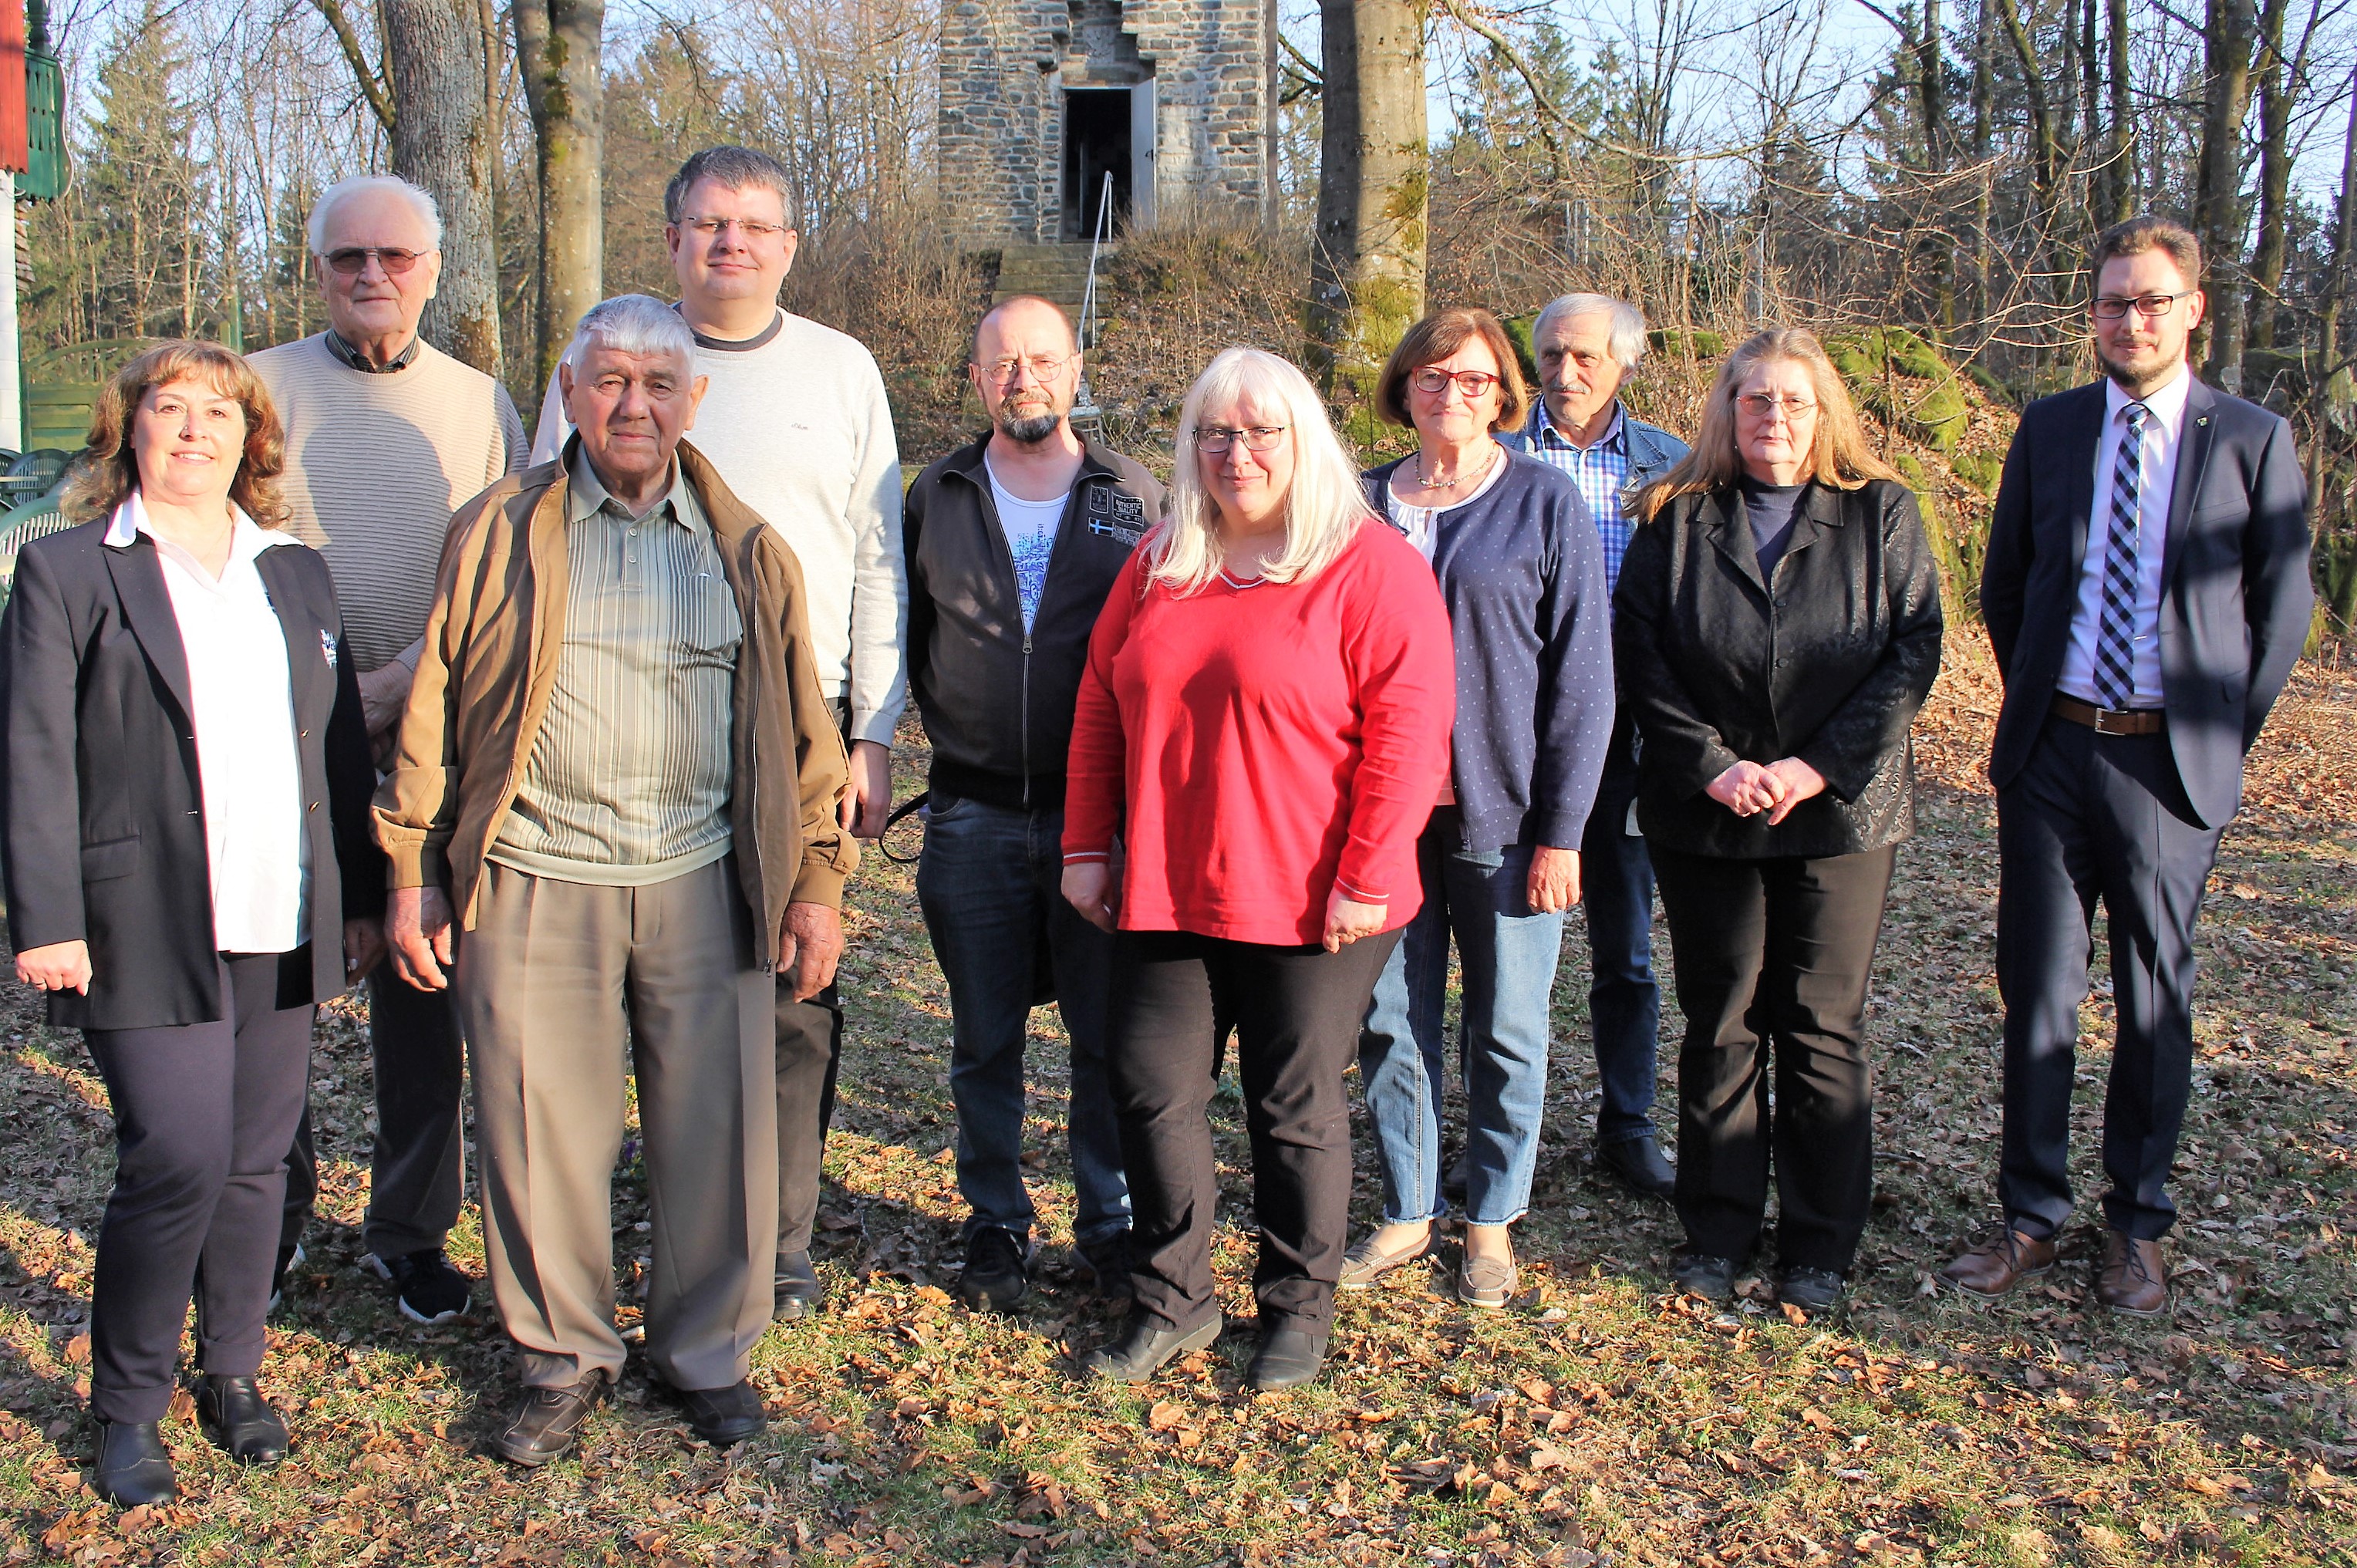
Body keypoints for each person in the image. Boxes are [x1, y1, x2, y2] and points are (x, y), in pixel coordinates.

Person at [374, 295, 855, 1465]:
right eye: (609, 381)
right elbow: (431, 705)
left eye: (657, 383)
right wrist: (412, 869)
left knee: (716, 1133)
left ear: (694, 401)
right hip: (537, 873)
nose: (632, 404)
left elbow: (806, 733)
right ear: (571, 390)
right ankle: (562, 1355)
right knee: (541, 1131)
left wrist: (820, 884)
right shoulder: (500, 531)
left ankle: (703, 1351)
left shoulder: (745, 546)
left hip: (703, 879)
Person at [0, 342, 384, 1505]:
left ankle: (233, 1371)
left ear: (253, 438)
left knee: (260, 1160)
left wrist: (360, 896)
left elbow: (340, 748)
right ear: (131, 428)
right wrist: (46, 917)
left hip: (282, 905)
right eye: (171, 409)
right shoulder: (69, 570)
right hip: (138, 917)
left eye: (221, 412)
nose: (196, 430)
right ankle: (127, 1405)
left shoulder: (297, 574)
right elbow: (32, 753)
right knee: (178, 1154)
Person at [531, 145, 905, 1324]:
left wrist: (874, 730)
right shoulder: (611, 356)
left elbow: (878, 557)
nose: (730, 243)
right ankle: (628, 1239)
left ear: (789, 246)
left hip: (792, 733)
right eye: (708, 224)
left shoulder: (841, 371)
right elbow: (543, 531)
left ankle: (775, 1238)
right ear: (675, 238)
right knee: (632, 1001)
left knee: (791, 992)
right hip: (624, 726)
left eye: (753, 225)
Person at [1941, 216, 2313, 1316]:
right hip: (2053, 751)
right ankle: (2030, 1216)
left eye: (2151, 301)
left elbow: (2278, 611)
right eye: (2112, 302)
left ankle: (2138, 1226)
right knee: (2040, 993)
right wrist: (2054, 704)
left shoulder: (2250, 438)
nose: (2130, 320)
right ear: (2092, 313)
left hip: (2169, 768)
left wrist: (2208, 732)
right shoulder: (2050, 430)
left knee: (2155, 1001)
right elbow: (2007, 586)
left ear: (2192, 309)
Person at [1063, 347, 1454, 1391]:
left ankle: (1295, 1306)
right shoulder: (1162, 562)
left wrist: (1367, 875)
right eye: (1215, 433)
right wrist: (1086, 846)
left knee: (1292, 1106)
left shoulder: (1370, 568)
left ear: (1305, 441)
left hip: (1316, 897)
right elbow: (1101, 704)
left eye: (1261, 431)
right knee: (1152, 1092)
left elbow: (1408, 737)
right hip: (1166, 884)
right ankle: (1174, 1298)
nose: (1237, 453)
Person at [1614, 327, 1942, 1313]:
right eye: (1756, 400)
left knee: (1818, 1023)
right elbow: (1638, 652)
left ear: (1825, 411)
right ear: (1726, 410)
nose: (1775, 420)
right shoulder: (1673, 517)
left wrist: (1813, 766)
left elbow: (1911, 650)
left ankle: (1817, 1242)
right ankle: (1714, 1227)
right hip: (1705, 812)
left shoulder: (1880, 513)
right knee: (1720, 1019)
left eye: (1794, 401)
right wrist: (1711, 765)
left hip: (1839, 814)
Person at [250, 173, 528, 1324]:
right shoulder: (258, 389)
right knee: (273, 995)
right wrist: (324, 694)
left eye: (395, 258)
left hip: (431, 748)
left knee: (424, 993)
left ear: (433, 269)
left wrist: (404, 686)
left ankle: (410, 1230)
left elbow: (504, 573)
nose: (371, 276)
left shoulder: (479, 404)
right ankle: (267, 1216)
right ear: (316, 267)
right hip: (280, 746)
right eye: (347, 257)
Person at [1344, 308, 1612, 1309]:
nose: (1449, 394)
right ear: (1401, 387)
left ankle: (1490, 1218)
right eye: (1429, 376)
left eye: (1472, 379)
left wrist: (1564, 830)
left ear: (1504, 392)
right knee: (1389, 1016)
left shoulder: (1543, 502)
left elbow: (1585, 682)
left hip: (1506, 816)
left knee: (1505, 1024)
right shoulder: (1360, 501)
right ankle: (1410, 1206)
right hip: (1382, 816)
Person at [903, 296, 1162, 1312]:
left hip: (1096, 817)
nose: (1024, 378)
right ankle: (995, 1226)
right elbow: (903, 633)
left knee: (1102, 1037)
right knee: (985, 1036)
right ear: (976, 378)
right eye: (1003, 363)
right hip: (968, 814)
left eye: (1042, 360)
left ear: (1074, 368)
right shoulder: (937, 492)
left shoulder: (1129, 495)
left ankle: (1108, 1228)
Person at [1513, 292, 1691, 1199]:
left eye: (1583, 356)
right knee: (1505, 954)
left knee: (1622, 949)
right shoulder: (1496, 456)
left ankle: (1627, 1124)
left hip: (1630, 743)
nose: (1564, 371)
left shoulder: (1673, 466)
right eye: (1549, 354)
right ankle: (1503, 1131)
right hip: (1515, 738)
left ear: (1625, 361)